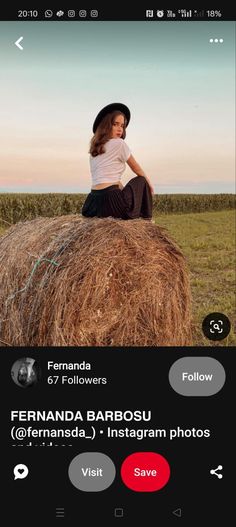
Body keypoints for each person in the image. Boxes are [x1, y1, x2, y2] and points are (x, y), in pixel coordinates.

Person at [81, 103, 154, 220]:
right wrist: (149, 184)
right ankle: (147, 220)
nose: (120, 129)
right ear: (106, 126)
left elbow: (111, 180)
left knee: (121, 188)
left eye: (123, 126)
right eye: (115, 124)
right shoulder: (119, 144)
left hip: (92, 203)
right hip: (111, 201)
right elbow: (137, 169)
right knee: (142, 180)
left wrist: (123, 192)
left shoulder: (94, 150)